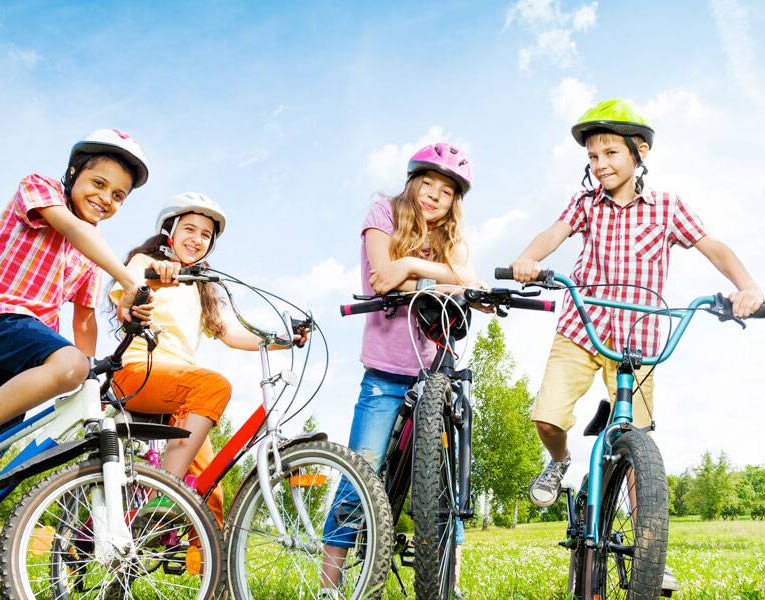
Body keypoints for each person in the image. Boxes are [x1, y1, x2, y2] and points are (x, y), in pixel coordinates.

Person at [508, 98, 763, 592]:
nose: (600, 164)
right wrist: (526, 259)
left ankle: (650, 551)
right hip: (582, 327)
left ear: (639, 152)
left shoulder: (667, 208)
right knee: (547, 417)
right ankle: (559, 461)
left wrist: (747, 287)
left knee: (638, 441)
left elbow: (713, 247)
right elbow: (552, 233)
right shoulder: (585, 204)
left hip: (638, 339)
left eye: (610, 153)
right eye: (592, 157)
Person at [0, 128, 150, 599]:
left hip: (27, 349)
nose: (105, 199)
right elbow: (72, 230)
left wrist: (95, 374)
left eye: (118, 196)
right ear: (73, 173)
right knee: (68, 365)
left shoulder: (89, 255)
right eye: (98, 184)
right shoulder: (39, 188)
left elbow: (83, 318)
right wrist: (127, 280)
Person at [319, 143, 481, 598]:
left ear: (454, 201)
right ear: (412, 182)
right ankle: (329, 585)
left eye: (445, 191)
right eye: (427, 184)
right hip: (387, 373)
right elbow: (382, 277)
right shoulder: (383, 213)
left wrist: (410, 265)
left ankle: (448, 583)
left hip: (436, 373)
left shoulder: (453, 235)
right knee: (362, 472)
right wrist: (440, 276)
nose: (433, 196)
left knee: (446, 483)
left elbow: (469, 278)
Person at [109, 192, 306, 526]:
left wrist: (284, 341)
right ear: (170, 231)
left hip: (182, 393)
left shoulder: (199, 285)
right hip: (137, 373)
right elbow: (126, 305)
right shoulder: (145, 264)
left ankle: (210, 559)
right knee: (214, 385)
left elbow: (229, 333)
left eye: (205, 235)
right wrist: (155, 280)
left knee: (209, 487)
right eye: (189, 229)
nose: (197, 239)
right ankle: (164, 493)